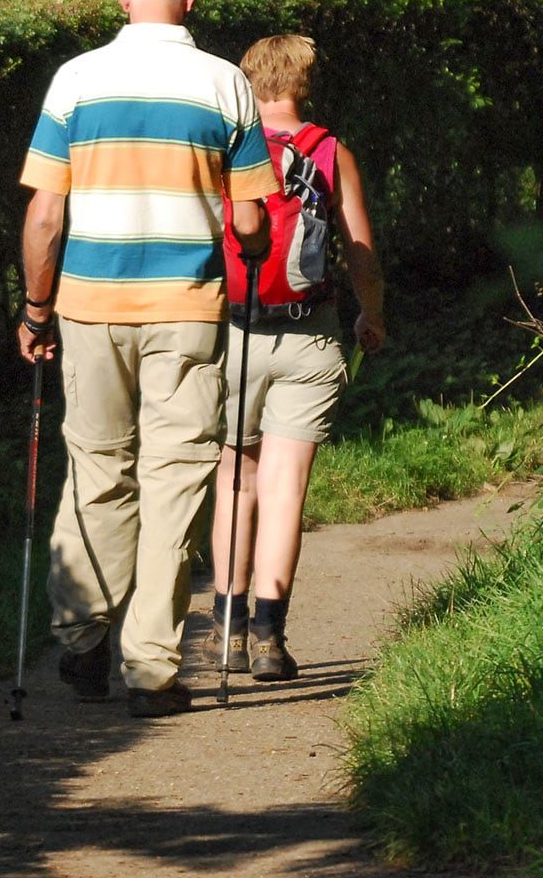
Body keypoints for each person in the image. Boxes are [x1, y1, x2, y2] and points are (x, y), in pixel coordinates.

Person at [16, 0, 275, 718]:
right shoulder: (227, 84)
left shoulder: (76, 81)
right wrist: (253, 247)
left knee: (96, 467)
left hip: (88, 306)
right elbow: (254, 219)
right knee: (176, 478)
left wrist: (35, 308)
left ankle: (83, 641)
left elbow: (45, 213)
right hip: (187, 309)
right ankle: (153, 668)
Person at [210, 33, 386, 682]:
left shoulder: (225, 148)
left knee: (236, 479)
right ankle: (267, 637)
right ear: (302, 84)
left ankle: (225, 631)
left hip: (231, 330)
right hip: (308, 334)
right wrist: (373, 314)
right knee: (284, 487)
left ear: (249, 82)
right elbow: (359, 249)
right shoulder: (329, 151)